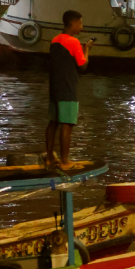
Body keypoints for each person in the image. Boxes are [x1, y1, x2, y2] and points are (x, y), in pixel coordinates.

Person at [45, 10, 94, 171]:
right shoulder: (73, 42)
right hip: (68, 87)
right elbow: (82, 66)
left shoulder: (55, 40)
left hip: (55, 86)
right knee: (67, 124)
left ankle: (50, 156)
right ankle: (65, 161)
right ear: (72, 24)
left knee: (53, 122)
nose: (82, 26)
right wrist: (86, 50)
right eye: (80, 23)